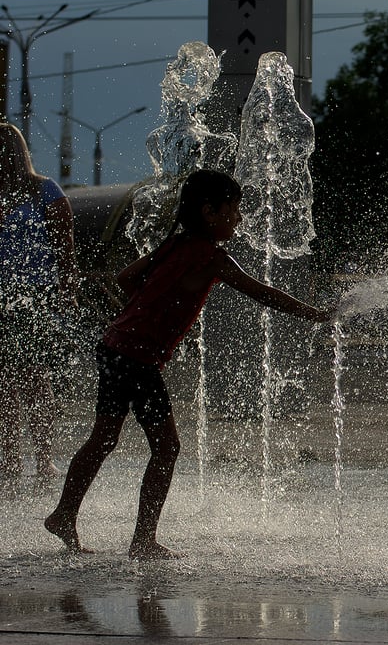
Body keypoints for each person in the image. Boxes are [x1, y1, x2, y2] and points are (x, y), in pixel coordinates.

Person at [44, 169, 331, 559]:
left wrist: (153, 318)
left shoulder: (174, 245)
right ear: (210, 211)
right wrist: (314, 314)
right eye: (234, 210)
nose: (240, 218)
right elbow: (261, 293)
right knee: (167, 447)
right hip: (135, 357)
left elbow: (127, 279)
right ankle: (142, 541)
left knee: (104, 439)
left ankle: (65, 515)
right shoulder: (211, 257)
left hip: (115, 347)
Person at [0, 122, 78, 492]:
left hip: (34, 296)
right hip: (3, 296)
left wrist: (67, 290)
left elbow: (65, 247)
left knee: (32, 376)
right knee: (4, 383)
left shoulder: (45, 191)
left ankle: (44, 457)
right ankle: (9, 457)